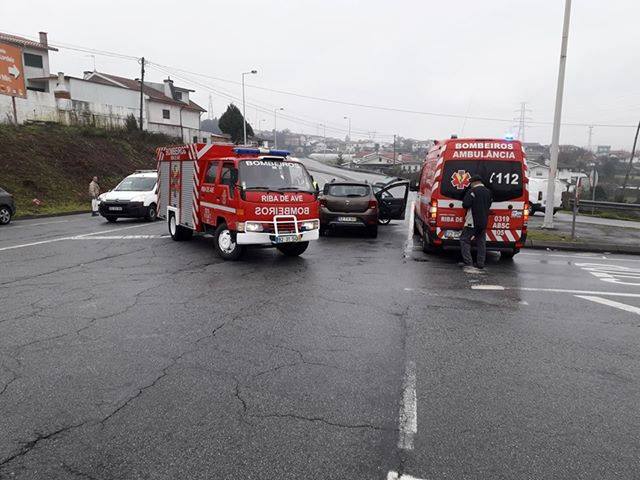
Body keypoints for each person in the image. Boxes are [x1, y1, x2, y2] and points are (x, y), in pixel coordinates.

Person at [460, 175, 492, 269]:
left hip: (471, 221)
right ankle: (480, 263)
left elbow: (465, 204)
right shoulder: (488, 192)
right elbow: (489, 204)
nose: (470, 185)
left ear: (474, 182)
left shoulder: (472, 191)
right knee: (481, 242)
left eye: (471, 183)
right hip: (483, 221)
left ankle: (468, 262)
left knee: (464, 240)